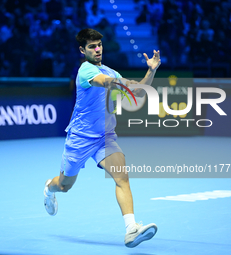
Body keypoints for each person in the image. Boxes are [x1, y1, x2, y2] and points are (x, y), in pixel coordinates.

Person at [43, 28, 161, 248]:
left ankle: (131, 229)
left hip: (105, 137)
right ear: (82, 50)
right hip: (80, 139)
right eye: (91, 47)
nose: (97, 50)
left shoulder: (111, 71)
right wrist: (119, 84)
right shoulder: (86, 71)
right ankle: (49, 188)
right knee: (65, 185)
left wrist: (151, 71)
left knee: (122, 177)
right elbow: (106, 82)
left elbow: (138, 91)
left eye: (99, 45)